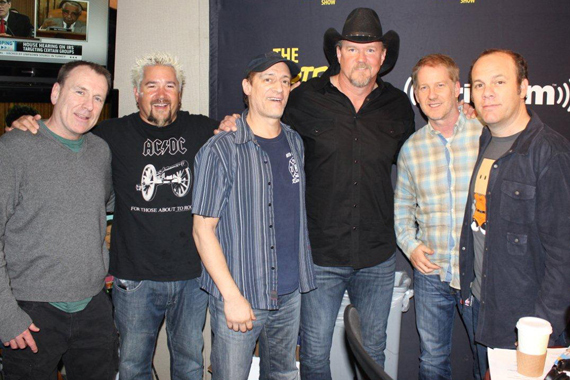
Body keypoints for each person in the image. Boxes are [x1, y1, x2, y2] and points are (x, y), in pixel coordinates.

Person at [9, 53, 219, 380]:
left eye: (170, 86)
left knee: (190, 361)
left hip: (187, 278)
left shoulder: (201, 128)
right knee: (132, 366)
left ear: (180, 92)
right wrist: (26, 124)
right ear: (136, 93)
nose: (161, 94)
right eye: (151, 86)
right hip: (130, 280)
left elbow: (247, 130)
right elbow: (59, 137)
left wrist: (235, 122)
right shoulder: (106, 135)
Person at [192, 51, 316, 380]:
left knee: (283, 375)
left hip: (289, 297)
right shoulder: (220, 150)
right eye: (268, 79)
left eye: (285, 81)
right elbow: (203, 230)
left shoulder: (294, 142)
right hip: (240, 297)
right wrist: (231, 297)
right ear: (247, 86)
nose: (279, 88)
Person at [0, 61, 117, 379]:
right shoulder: (14, 148)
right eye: (79, 91)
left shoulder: (100, 151)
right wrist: (6, 316)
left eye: (97, 97)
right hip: (32, 311)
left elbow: (105, 205)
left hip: (94, 308)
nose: (87, 105)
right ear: (55, 92)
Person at [459, 49, 570, 378]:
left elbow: (564, 255)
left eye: (499, 82)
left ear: (523, 88)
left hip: (525, 324)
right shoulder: (486, 138)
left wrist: (538, 333)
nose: (487, 92)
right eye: (478, 85)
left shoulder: (550, 153)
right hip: (481, 306)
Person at [394, 54, 483, 380]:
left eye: (440, 85)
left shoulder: (485, 134)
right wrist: (411, 246)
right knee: (432, 363)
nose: (432, 95)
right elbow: (402, 211)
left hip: (480, 274)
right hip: (432, 275)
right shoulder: (411, 150)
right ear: (415, 95)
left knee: (486, 363)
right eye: (424, 87)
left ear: (458, 88)